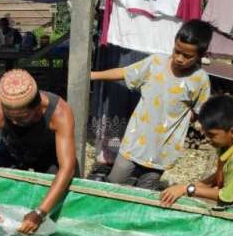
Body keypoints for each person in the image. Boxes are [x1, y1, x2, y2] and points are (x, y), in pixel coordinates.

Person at [90, 20, 212, 190]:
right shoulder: (156, 63)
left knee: (145, 192)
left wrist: (189, 117)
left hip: (162, 151)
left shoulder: (200, 79)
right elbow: (126, 73)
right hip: (134, 144)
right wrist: (93, 75)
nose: (179, 58)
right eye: (177, 51)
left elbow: (202, 110)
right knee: (114, 184)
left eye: (188, 56)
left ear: (201, 55)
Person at [0, 69, 76, 235]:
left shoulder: (60, 112)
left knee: (58, 203)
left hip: (49, 157)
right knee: (4, 199)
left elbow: (67, 167)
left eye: (21, 117)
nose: (14, 121)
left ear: (37, 107)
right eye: (10, 117)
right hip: (13, 151)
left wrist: (40, 212)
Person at [160, 94, 233, 208]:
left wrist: (189, 189)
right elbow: (219, 176)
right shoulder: (228, 144)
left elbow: (226, 196)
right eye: (205, 134)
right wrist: (186, 186)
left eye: (211, 135)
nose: (207, 139)